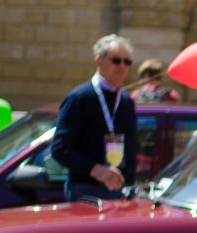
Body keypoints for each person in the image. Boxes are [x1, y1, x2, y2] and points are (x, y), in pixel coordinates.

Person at [52, 34, 139, 201]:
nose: (122, 66)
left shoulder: (126, 101)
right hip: (86, 190)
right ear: (99, 61)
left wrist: (130, 184)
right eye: (116, 60)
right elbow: (60, 148)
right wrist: (95, 169)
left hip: (120, 191)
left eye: (127, 62)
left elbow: (131, 149)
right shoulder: (79, 98)